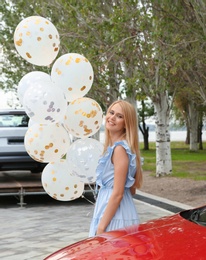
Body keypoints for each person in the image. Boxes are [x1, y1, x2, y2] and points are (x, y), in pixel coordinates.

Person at [89, 100, 143, 237]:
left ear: (126, 124)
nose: (112, 117)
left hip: (115, 216)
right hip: (116, 210)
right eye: (111, 113)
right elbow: (131, 189)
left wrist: (101, 227)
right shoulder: (122, 147)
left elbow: (118, 193)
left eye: (119, 116)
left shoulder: (120, 149)